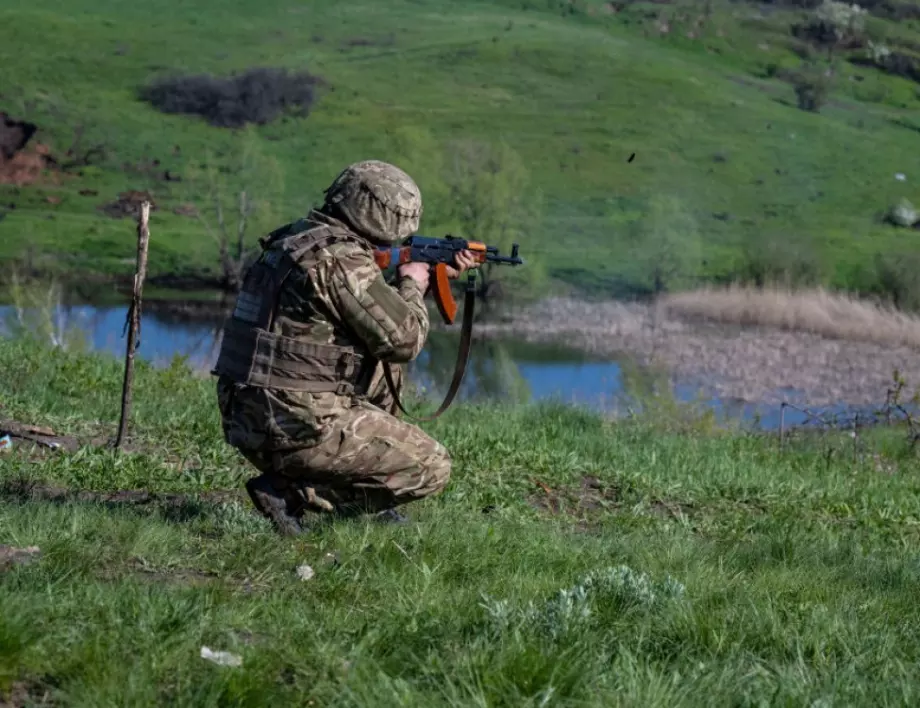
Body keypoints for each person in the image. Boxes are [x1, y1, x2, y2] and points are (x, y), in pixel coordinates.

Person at [211, 160, 478, 535]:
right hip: (295, 427)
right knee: (432, 468)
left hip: (246, 414)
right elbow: (404, 339)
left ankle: (341, 480)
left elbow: (350, 311)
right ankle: (293, 493)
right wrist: (414, 285)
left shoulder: (293, 239)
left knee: (383, 368)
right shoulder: (342, 260)